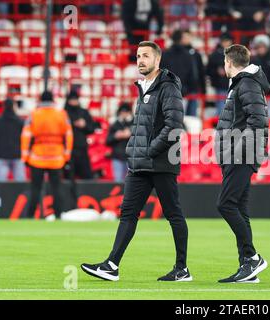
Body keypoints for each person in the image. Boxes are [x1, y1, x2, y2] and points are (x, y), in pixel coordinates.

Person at [81, 41, 191, 282]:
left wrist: (151, 150)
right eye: (138, 55)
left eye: (146, 56)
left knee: (173, 214)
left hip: (161, 161)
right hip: (140, 162)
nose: (140, 60)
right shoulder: (143, 87)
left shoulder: (169, 86)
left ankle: (181, 268)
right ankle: (111, 265)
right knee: (128, 213)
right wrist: (134, 150)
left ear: (157, 60)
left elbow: (174, 126)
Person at [215, 44, 269, 283]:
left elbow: (258, 120)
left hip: (242, 154)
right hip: (237, 153)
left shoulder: (246, 83)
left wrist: (238, 151)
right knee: (239, 208)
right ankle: (247, 267)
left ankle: (252, 257)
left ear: (229, 62)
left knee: (225, 205)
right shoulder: (243, 84)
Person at [21, 91, 73, 220]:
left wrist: (25, 156)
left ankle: (30, 215)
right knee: (56, 188)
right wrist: (66, 155)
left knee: (35, 188)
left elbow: (26, 136)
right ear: (53, 99)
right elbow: (69, 135)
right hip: (56, 157)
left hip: (37, 157)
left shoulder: (33, 114)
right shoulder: (61, 114)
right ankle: (58, 215)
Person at [64, 90, 96, 180]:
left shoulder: (83, 112)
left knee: (86, 175)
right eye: (71, 99)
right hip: (68, 149)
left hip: (82, 148)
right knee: (68, 176)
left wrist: (84, 125)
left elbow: (92, 129)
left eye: (75, 99)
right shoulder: (64, 113)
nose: (74, 101)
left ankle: (87, 194)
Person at [0, 98, 26, 182]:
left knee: (0, 183)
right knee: (20, 183)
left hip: (1, 155)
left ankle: (0, 196)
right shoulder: (20, 122)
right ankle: (20, 195)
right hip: (17, 154)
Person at [206, 32, 233, 115]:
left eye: (227, 41)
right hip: (221, 85)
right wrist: (217, 71)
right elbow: (209, 70)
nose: (225, 43)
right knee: (222, 109)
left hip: (234, 85)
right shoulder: (214, 55)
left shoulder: (237, 54)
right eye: (224, 41)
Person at [106, 103, 133, 182]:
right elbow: (107, 141)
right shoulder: (115, 124)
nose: (124, 114)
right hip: (117, 156)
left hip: (131, 156)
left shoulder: (135, 123)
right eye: (122, 112)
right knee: (118, 181)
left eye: (126, 112)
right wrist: (116, 136)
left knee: (131, 181)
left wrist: (131, 134)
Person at [181, 30, 206, 117]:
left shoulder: (196, 54)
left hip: (193, 88)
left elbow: (201, 72)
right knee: (180, 116)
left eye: (188, 37)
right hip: (180, 89)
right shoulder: (177, 54)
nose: (186, 39)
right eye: (184, 37)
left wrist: (203, 89)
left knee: (192, 116)